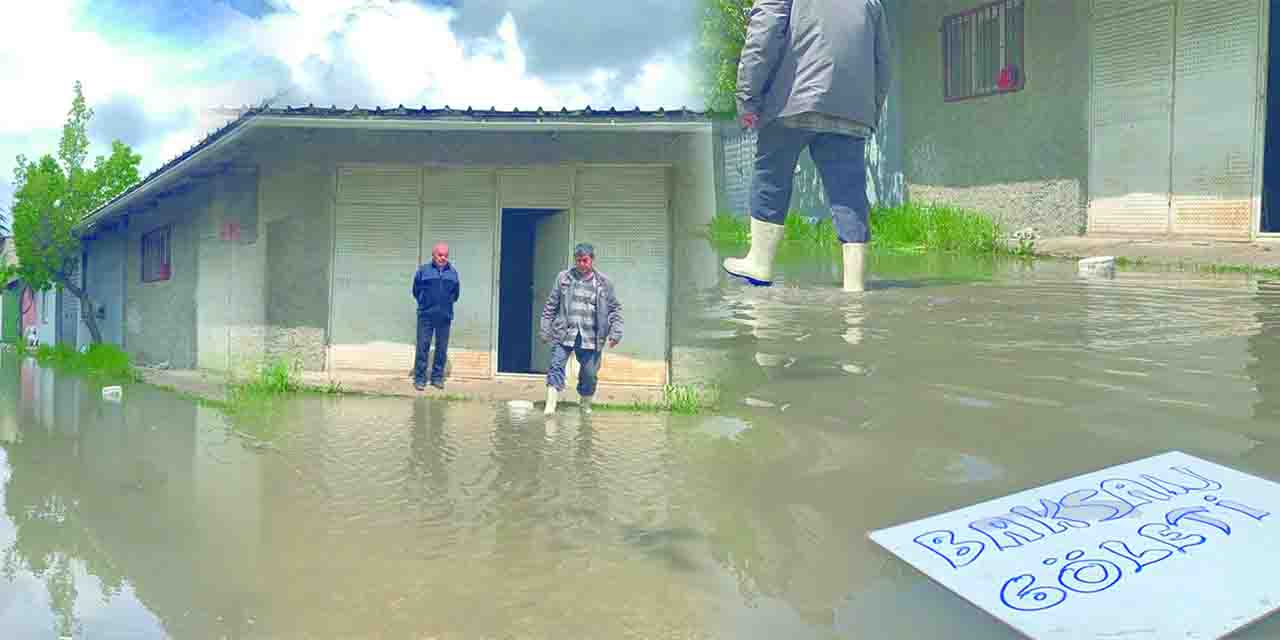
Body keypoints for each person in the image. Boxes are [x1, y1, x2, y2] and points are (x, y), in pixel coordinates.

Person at [722, 0, 893, 292]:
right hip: (851, 112)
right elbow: (883, 62)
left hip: (791, 102)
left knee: (771, 177)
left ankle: (760, 264)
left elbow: (762, 40)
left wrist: (747, 100)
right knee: (849, 193)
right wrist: (870, 112)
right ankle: (855, 285)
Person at [538, 243, 623, 415]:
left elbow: (614, 309)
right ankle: (550, 406)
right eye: (578, 261)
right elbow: (551, 305)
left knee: (590, 374)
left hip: (591, 336)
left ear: (592, 260)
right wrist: (545, 329)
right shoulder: (564, 278)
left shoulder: (604, 283)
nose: (582, 264)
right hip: (564, 333)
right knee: (555, 366)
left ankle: (585, 404)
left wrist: (615, 332)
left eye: (585, 260)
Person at [411, 242, 460, 390]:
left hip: (444, 316)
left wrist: (446, 304)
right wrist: (424, 302)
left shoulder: (453, 273)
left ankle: (437, 378)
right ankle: (420, 379)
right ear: (433, 255)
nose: (443, 258)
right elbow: (415, 290)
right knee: (422, 346)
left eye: (445, 255)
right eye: (440, 255)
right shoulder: (423, 271)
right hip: (426, 315)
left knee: (441, 348)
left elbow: (456, 294)